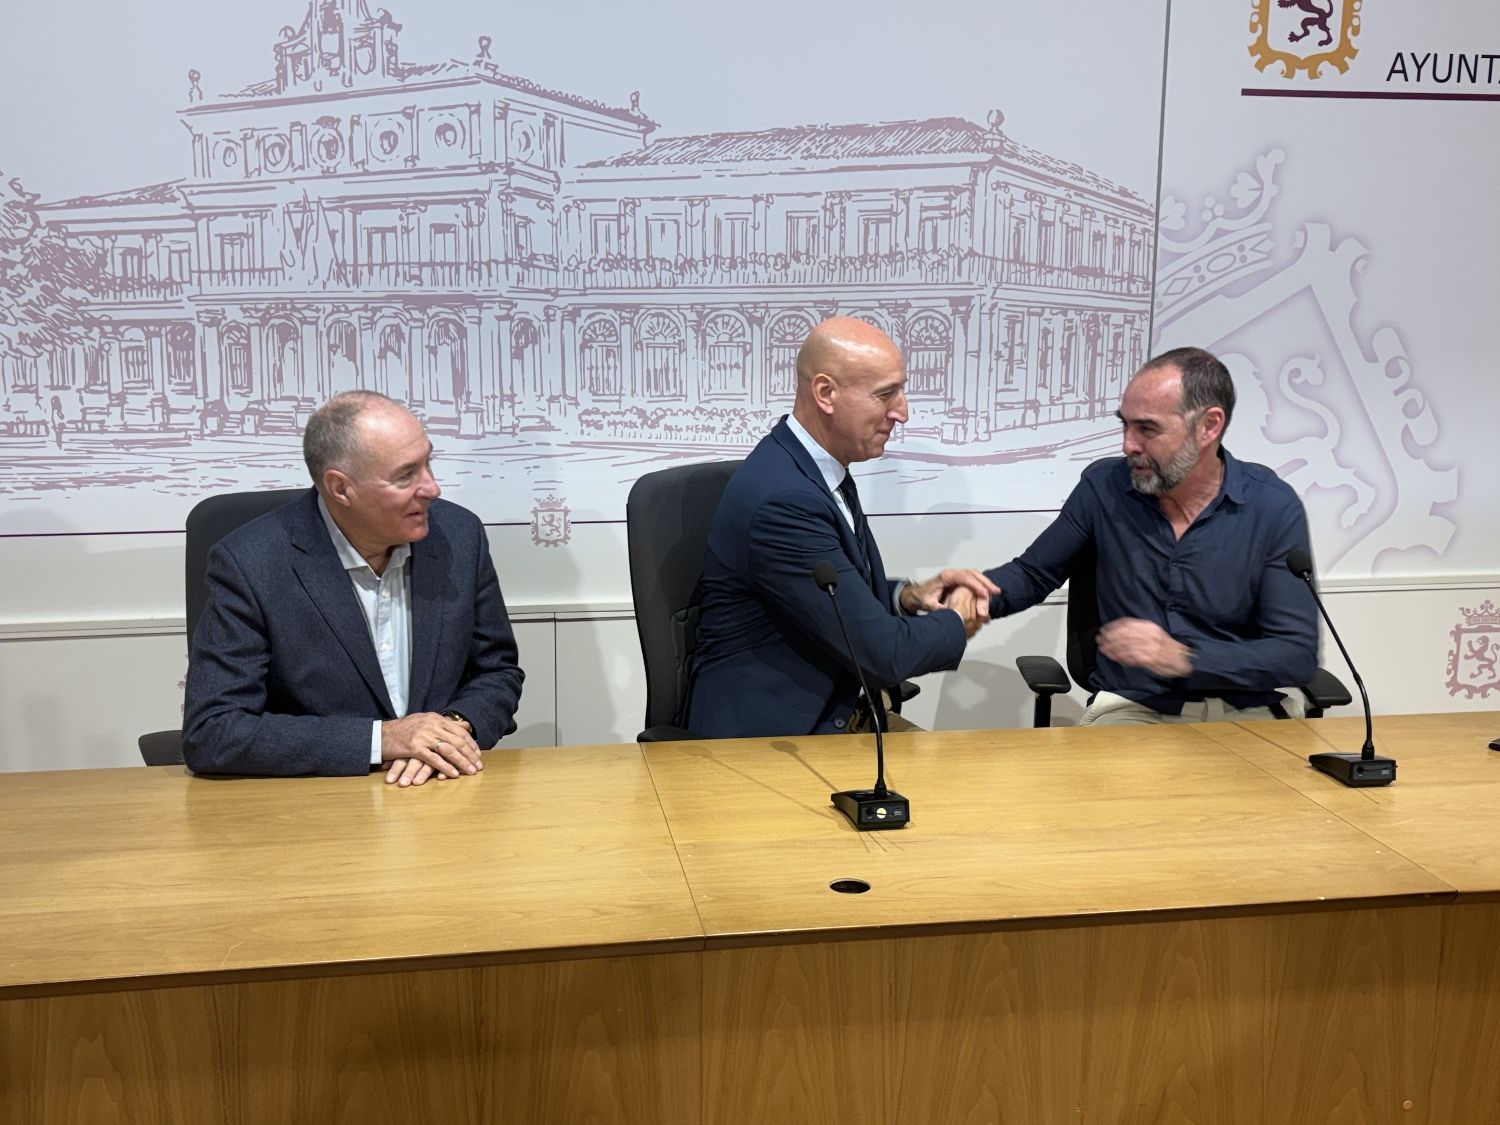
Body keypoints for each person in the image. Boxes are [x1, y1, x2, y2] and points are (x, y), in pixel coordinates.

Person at [183, 391, 524, 784]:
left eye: (429, 463)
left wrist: (451, 729)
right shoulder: (251, 564)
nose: (431, 488)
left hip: (443, 797)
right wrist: (383, 739)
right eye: (405, 475)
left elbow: (497, 672)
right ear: (340, 488)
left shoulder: (460, 537)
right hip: (317, 811)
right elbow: (214, 732)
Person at [686, 316, 996, 738]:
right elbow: (881, 653)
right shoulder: (783, 500)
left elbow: (831, 592)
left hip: (842, 714)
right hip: (775, 739)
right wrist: (956, 622)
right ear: (826, 393)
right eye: (886, 394)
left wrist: (905, 598)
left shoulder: (815, 469)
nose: (902, 412)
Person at [984, 346, 1318, 724]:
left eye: (1147, 429)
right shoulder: (1104, 487)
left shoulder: (1271, 507)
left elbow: (1296, 654)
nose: (1128, 444)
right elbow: (1032, 575)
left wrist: (1185, 659)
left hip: (1247, 713)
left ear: (1209, 426)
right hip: (1135, 708)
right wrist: (962, 597)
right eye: (1124, 425)